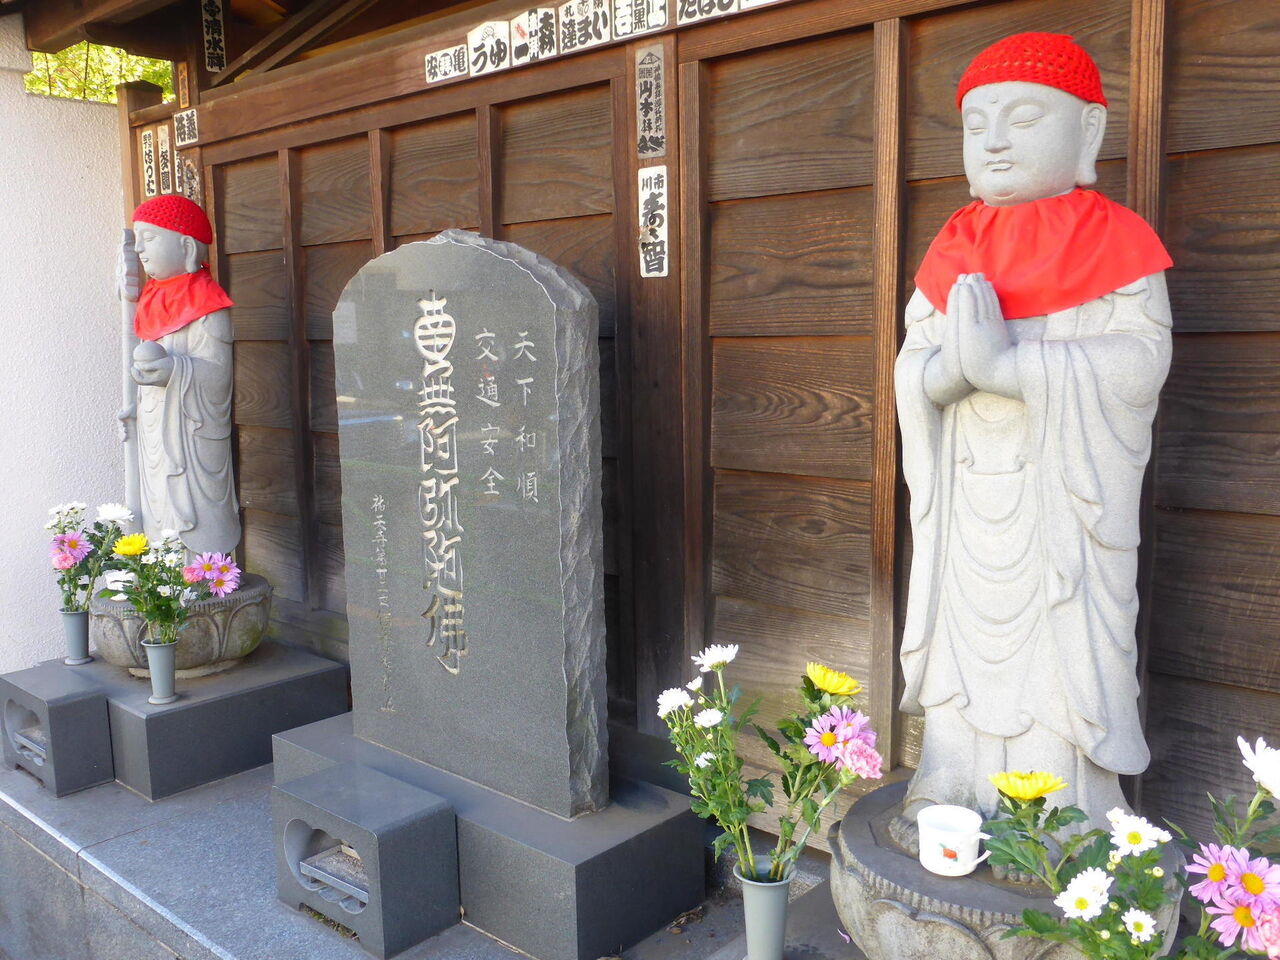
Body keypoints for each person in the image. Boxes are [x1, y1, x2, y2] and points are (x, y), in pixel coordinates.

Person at [891, 33, 1174, 850]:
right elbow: (915, 367)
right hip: (969, 497)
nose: (997, 141)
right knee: (960, 636)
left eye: (1021, 118)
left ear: (1088, 134)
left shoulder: (1118, 245)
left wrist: (1016, 367)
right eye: (977, 125)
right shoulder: (952, 250)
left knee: (1059, 640)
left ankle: (1056, 803)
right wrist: (949, 375)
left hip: (1063, 505)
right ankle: (947, 769)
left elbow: (1140, 361)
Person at [119, 195, 240, 556]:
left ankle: (203, 572)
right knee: (156, 500)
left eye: (150, 238)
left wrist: (176, 369)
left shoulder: (209, 304)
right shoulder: (150, 300)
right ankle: (162, 574)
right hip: (156, 425)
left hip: (190, 433)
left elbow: (219, 378)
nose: (140, 249)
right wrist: (133, 403)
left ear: (186, 245)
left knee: (190, 504)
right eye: (138, 239)